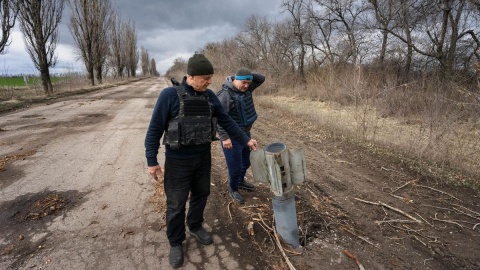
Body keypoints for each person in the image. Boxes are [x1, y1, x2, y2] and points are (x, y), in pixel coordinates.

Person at [144, 53, 257, 268]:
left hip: (202, 158)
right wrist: (152, 160)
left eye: (210, 77)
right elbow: (154, 130)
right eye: (205, 77)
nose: (209, 81)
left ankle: (195, 225)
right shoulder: (169, 95)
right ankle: (176, 241)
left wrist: (246, 140)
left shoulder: (210, 96)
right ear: (191, 76)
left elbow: (227, 121)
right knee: (176, 204)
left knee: (201, 194)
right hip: (177, 161)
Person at [216, 67, 265, 204]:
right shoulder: (225, 95)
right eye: (243, 83)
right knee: (235, 166)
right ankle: (233, 188)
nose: (246, 86)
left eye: (249, 83)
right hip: (231, 137)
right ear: (235, 80)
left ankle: (240, 180)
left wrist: (245, 76)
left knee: (247, 160)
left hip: (245, 133)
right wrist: (224, 137)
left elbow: (261, 78)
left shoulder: (247, 88)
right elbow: (217, 118)